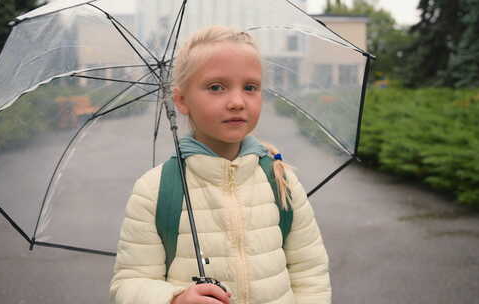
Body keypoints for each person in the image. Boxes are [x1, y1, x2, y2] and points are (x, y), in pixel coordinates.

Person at [109, 26, 331, 304]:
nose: (237, 102)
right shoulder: (154, 189)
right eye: (216, 87)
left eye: (250, 87)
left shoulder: (280, 178)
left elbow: (310, 274)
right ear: (181, 100)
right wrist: (175, 299)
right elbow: (128, 284)